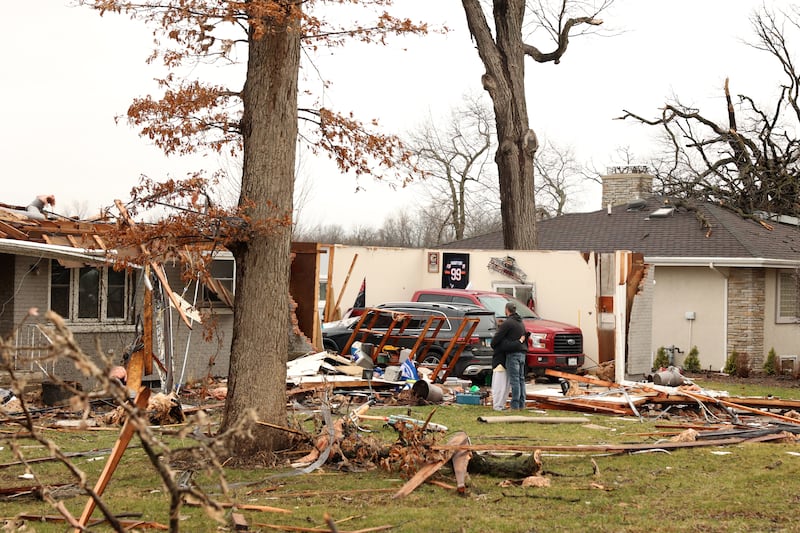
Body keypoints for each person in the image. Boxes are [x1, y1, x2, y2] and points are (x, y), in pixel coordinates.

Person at [490, 302, 528, 410]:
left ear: (507, 310)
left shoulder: (508, 323)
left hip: (512, 355)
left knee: (514, 380)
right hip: (522, 354)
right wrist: (519, 342)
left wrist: (499, 344)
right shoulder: (521, 323)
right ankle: (522, 404)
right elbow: (524, 338)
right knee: (521, 379)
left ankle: (515, 405)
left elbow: (495, 341)